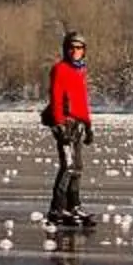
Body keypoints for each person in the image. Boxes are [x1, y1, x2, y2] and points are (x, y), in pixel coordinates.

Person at [43, 30, 94, 229]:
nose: (75, 51)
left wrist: (88, 125)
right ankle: (57, 208)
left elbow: (82, 101)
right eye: (72, 47)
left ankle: (74, 206)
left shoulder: (81, 71)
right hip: (64, 123)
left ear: (84, 51)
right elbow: (55, 97)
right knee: (68, 166)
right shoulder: (60, 69)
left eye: (79, 47)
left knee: (78, 168)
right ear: (66, 49)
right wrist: (59, 125)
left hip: (79, 124)